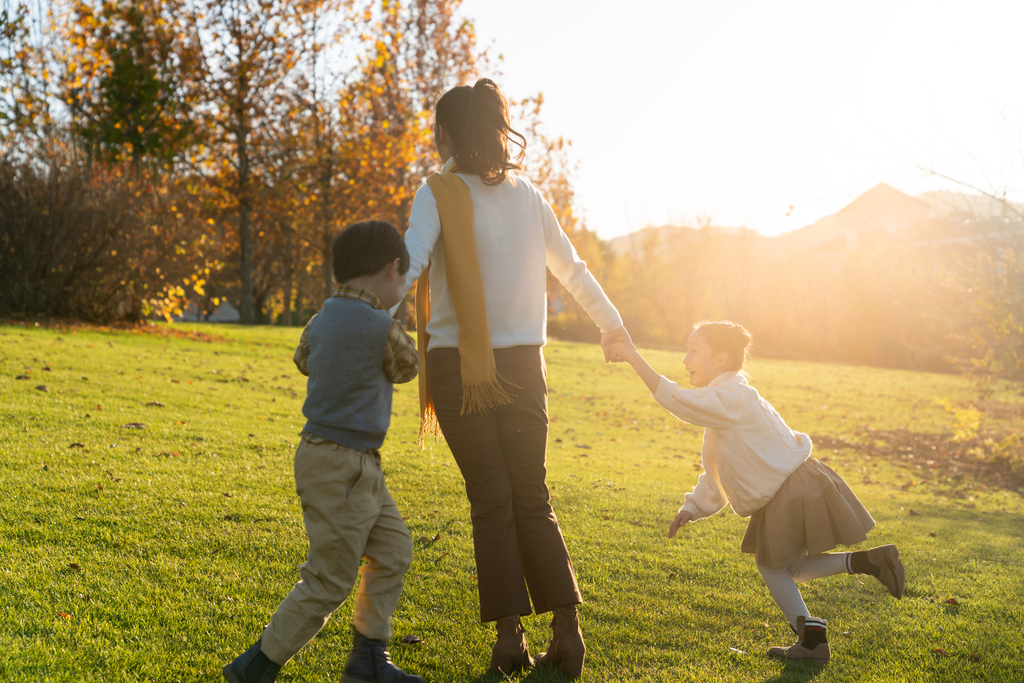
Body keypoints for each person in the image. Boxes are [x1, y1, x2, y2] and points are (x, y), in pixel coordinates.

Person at [399, 78, 628, 679]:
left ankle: (509, 639)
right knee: (532, 495)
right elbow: (574, 271)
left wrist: (359, 308)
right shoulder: (529, 196)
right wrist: (613, 326)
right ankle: (568, 634)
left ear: (447, 133)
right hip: (527, 366)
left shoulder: (437, 192)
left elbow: (410, 260)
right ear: (499, 131)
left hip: (457, 368)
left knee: (491, 501)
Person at [610, 321, 905, 664]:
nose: (685, 359)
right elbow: (717, 474)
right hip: (793, 484)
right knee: (789, 568)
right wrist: (692, 507)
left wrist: (632, 356)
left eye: (693, 351)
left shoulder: (733, 396)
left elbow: (680, 402)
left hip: (791, 487)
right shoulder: (724, 405)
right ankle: (868, 565)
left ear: (720, 360)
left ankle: (813, 641)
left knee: (774, 567)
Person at [223, 221, 424, 683]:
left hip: (330, 457)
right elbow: (408, 367)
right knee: (330, 578)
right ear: (393, 269)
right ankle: (255, 667)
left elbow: (304, 360)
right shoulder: (384, 327)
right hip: (347, 467)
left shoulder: (321, 318)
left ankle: (368, 661)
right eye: (403, 280)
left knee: (392, 547)